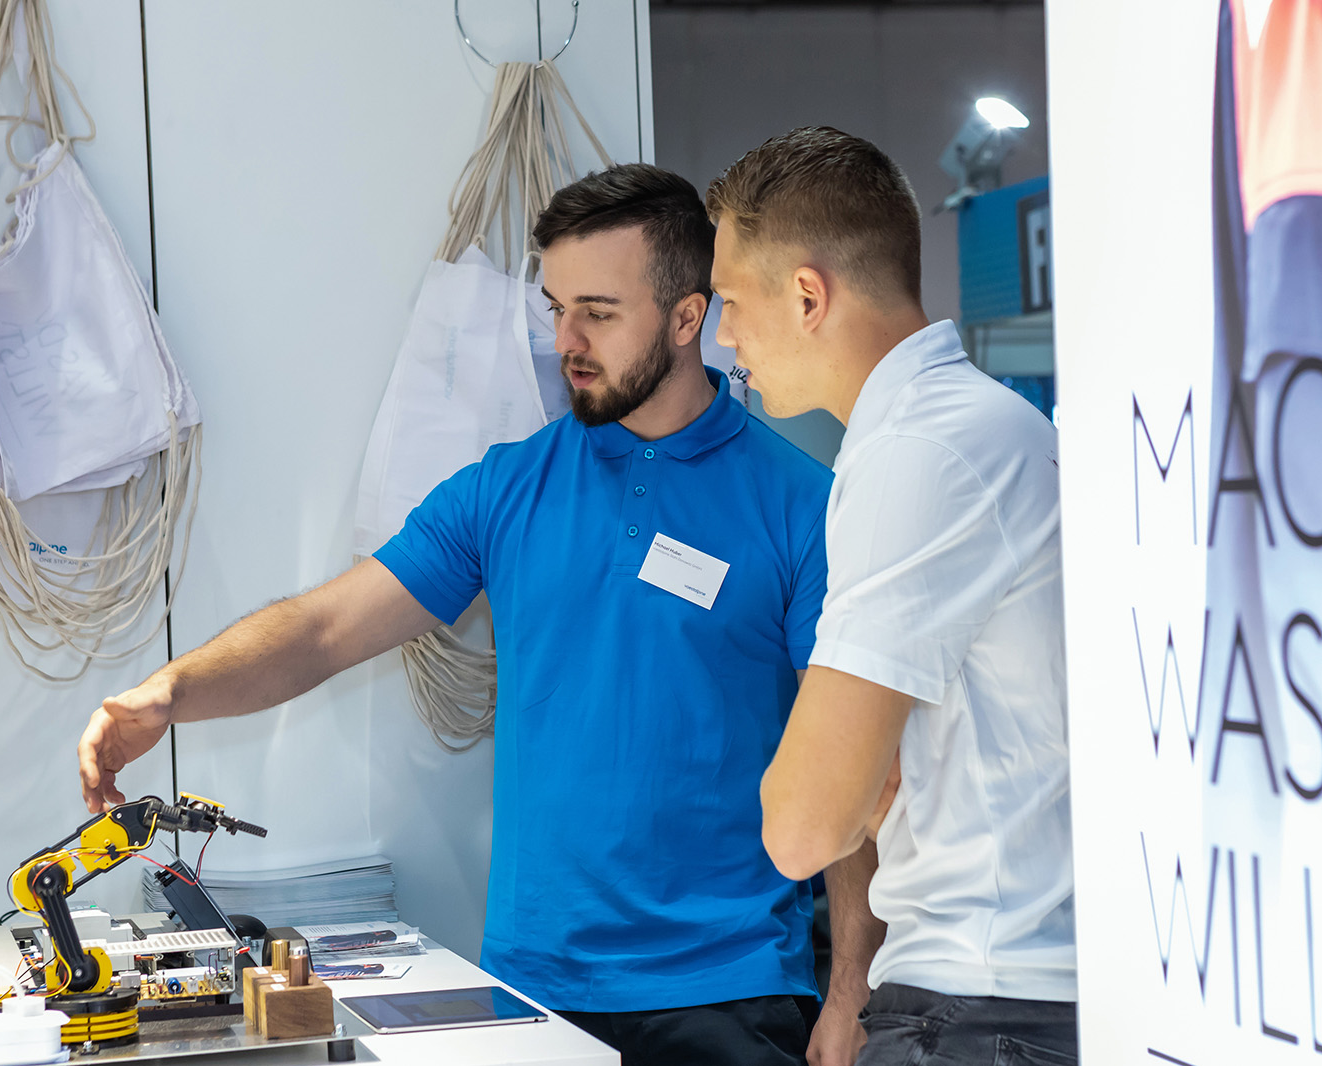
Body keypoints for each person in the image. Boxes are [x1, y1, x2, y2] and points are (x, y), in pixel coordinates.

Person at [77, 164, 876, 1066]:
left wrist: (851, 989)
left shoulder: (802, 505)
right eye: (557, 308)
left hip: (727, 989)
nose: (566, 340)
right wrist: (170, 693)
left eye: (598, 313)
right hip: (536, 986)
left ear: (687, 318)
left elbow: (854, 769)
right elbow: (325, 629)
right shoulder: (507, 486)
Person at [706, 128, 1078, 1064]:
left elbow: (801, 826)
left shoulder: (920, 453)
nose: (725, 337)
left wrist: (843, 779)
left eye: (730, 301)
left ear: (806, 296)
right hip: (1001, 992)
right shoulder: (966, 427)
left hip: (983, 1009)